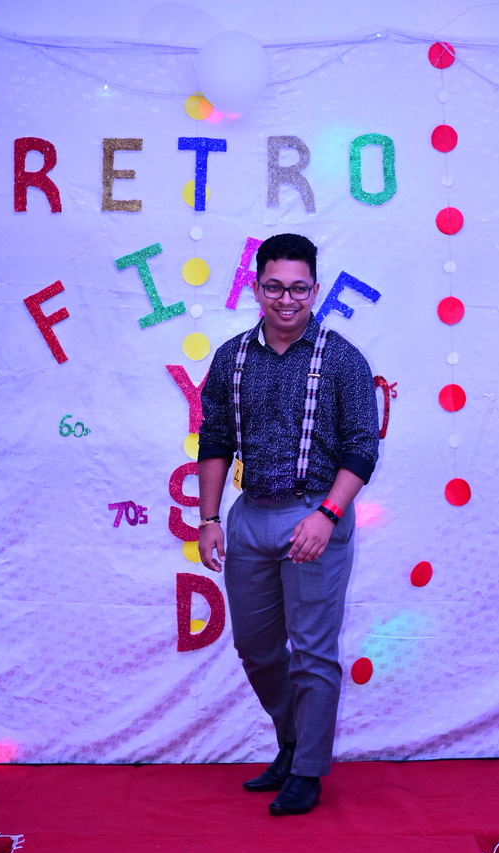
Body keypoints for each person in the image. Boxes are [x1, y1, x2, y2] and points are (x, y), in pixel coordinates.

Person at [198, 233, 379, 816]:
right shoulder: (231, 357)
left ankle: (306, 771)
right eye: (274, 287)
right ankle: (294, 740)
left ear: (315, 291)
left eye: (298, 288)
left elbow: (362, 449)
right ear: (256, 289)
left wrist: (328, 515)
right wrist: (208, 518)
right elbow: (215, 440)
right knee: (255, 648)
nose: (286, 299)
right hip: (250, 516)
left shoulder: (343, 360)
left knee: (313, 651)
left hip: (316, 513)